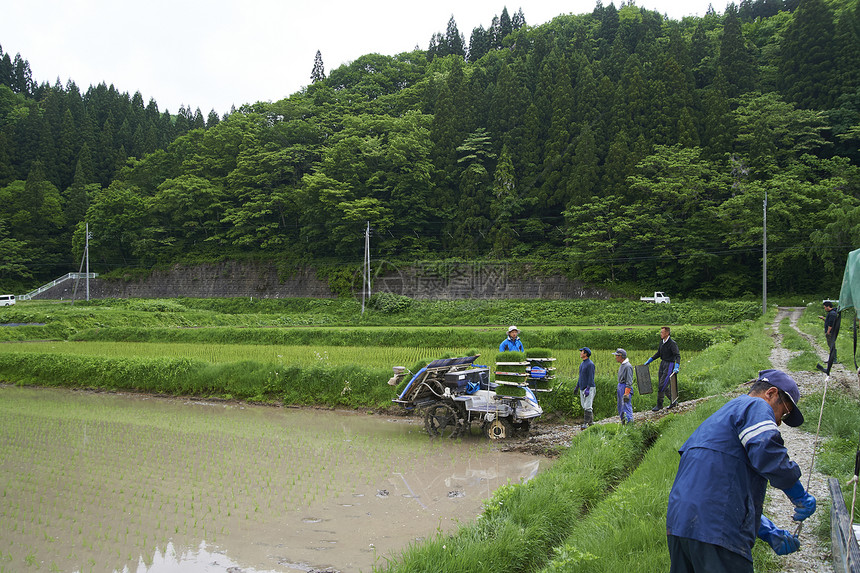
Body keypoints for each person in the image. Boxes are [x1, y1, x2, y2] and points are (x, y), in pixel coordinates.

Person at [666, 369, 817, 573]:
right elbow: (767, 452)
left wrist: (768, 531)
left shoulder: (720, 417)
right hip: (717, 531)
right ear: (771, 393)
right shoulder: (756, 405)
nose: (780, 421)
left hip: (680, 526)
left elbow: (717, 490)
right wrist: (798, 494)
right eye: (784, 412)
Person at [645, 326, 681, 411]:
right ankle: (673, 401)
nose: (660, 334)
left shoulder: (672, 344)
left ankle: (659, 405)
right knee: (662, 384)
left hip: (669, 365)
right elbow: (658, 353)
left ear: (667, 333)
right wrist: (650, 360)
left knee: (662, 385)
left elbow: (677, 356)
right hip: (662, 364)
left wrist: (676, 366)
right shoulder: (662, 342)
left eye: (662, 332)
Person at [613, 348, 634, 424]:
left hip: (624, 387)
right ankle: (624, 424)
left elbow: (629, 381)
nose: (615, 357)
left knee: (626, 407)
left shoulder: (628, 366)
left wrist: (626, 393)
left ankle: (629, 424)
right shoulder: (623, 365)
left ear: (621, 356)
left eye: (617, 355)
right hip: (620, 386)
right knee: (621, 407)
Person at [576, 347, 596, 429]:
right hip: (582, 387)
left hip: (589, 387)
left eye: (582, 352)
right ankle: (591, 423)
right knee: (584, 406)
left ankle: (585, 424)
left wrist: (588, 388)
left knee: (588, 406)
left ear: (586, 354)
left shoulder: (590, 364)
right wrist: (577, 386)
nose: (580, 353)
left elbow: (591, 377)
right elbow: (581, 376)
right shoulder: (582, 364)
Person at [817, 301, 838, 373]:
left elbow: (831, 324)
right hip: (831, 332)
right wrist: (823, 318)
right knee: (830, 345)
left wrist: (828, 332)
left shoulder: (832, 314)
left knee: (832, 345)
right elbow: (829, 321)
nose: (825, 308)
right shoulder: (832, 313)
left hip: (831, 333)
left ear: (828, 306)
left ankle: (834, 359)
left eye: (825, 307)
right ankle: (831, 359)